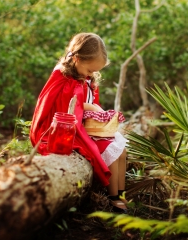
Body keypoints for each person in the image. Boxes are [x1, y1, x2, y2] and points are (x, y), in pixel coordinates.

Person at [29, 32, 128, 213]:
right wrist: (91, 108)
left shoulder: (84, 76)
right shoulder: (62, 75)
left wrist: (98, 113)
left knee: (122, 150)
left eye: (95, 71)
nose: (92, 74)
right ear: (76, 58)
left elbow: (88, 100)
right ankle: (114, 201)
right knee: (112, 153)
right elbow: (65, 107)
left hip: (85, 125)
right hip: (68, 129)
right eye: (90, 70)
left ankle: (121, 194)